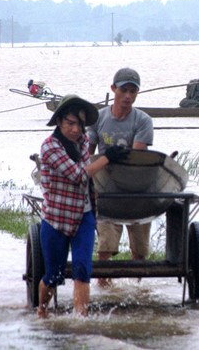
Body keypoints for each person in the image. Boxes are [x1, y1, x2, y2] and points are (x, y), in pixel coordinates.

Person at [37, 94, 129, 318]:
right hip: (57, 218)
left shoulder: (83, 141)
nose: (76, 129)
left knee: (82, 270)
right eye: (70, 123)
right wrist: (107, 157)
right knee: (53, 275)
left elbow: (86, 165)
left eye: (80, 124)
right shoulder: (50, 147)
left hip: (84, 215)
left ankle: (82, 322)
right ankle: (41, 310)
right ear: (59, 121)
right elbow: (78, 174)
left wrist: (104, 159)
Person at [86, 67, 154, 287]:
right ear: (113, 89)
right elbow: (87, 155)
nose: (128, 96)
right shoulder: (98, 119)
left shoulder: (143, 120)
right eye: (124, 90)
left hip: (136, 190)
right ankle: (104, 286)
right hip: (106, 190)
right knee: (105, 249)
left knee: (140, 252)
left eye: (133, 91)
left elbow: (136, 157)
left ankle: (138, 289)